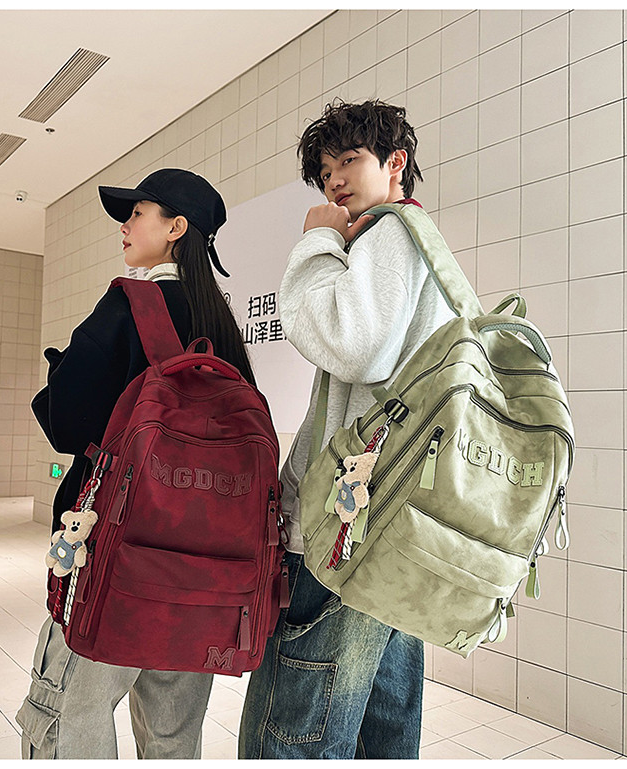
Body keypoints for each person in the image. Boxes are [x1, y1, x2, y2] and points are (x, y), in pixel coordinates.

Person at [238, 99, 455, 759]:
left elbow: (353, 345)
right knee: (382, 723)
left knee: (291, 727)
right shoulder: (419, 246)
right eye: (326, 170)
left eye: (350, 161)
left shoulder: (390, 233)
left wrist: (316, 243)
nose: (335, 180)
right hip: (392, 526)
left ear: (396, 163)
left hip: (346, 529)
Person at [16, 168, 255, 760]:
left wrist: (61, 370)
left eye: (137, 212)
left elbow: (66, 422)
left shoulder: (129, 305)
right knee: (172, 738)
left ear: (175, 228)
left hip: (114, 559)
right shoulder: (223, 327)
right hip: (202, 569)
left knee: (70, 715)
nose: (124, 225)